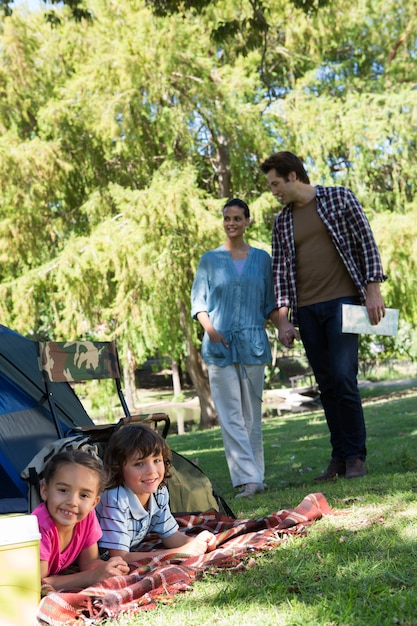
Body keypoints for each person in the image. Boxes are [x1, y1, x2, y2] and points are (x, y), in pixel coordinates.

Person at [260, 151, 387, 481]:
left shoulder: (339, 198)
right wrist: (285, 319)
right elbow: (281, 272)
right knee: (327, 386)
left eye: (276, 183)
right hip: (308, 312)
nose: (274, 190)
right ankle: (340, 459)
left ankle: (356, 456)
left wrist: (374, 290)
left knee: (344, 378)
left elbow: (366, 244)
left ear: (292, 176)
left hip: (344, 303)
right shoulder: (282, 221)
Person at [191, 198, 279, 499]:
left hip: (253, 344)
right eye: (227, 218)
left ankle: (256, 475)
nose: (232, 223)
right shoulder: (209, 260)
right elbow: (199, 304)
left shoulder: (262, 259)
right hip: (219, 345)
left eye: (238, 218)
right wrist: (212, 331)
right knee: (230, 415)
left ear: (248, 221)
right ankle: (247, 479)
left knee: (251, 414)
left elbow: (270, 304)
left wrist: (285, 325)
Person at [95, 424, 216, 563]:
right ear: (118, 468)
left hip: (130, 549)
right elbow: (119, 557)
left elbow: (169, 536)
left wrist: (197, 542)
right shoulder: (115, 498)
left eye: (157, 460)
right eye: (139, 464)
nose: (151, 471)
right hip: (101, 556)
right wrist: (178, 553)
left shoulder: (159, 492)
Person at [32, 449, 129, 591]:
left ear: (94, 503)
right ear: (45, 490)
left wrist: (110, 568)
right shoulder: (39, 525)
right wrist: (92, 576)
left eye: (83, 495)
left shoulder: (87, 517)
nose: (72, 502)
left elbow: (89, 562)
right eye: (63, 490)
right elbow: (37, 583)